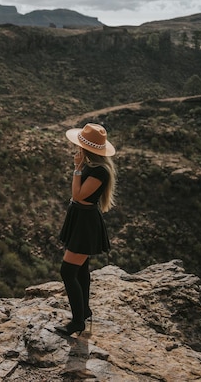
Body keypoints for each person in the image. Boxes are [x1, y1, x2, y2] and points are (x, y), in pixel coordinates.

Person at [55, 123, 117, 336]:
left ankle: (77, 322)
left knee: (67, 271)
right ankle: (85, 311)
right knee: (81, 269)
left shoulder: (99, 171)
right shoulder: (94, 167)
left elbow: (79, 195)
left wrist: (77, 169)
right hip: (80, 219)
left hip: (85, 223)